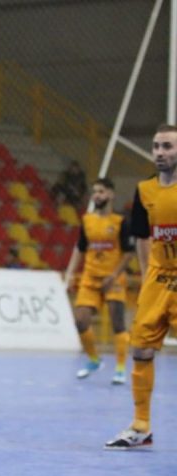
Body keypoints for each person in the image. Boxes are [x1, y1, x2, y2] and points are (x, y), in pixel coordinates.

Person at [105, 125, 177, 449]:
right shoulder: (145, 190)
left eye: (168, 146)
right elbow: (143, 236)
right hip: (158, 279)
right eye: (157, 146)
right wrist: (148, 273)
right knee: (141, 348)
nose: (160, 152)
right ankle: (141, 426)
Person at [63, 178, 134, 385]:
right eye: (94, 191)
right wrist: (69, 273)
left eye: (101, 191)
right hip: (90, 278)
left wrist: (113, 275)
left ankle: (120, 369)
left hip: (113, 278)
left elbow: (129, 253)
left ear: (111, 194)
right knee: (80, 321)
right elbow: (80, 248)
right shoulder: (87, 221)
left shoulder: (120, 222)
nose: (97, 195)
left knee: (117, 322)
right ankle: (94, 360)